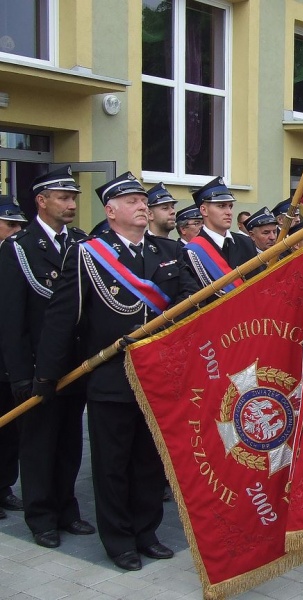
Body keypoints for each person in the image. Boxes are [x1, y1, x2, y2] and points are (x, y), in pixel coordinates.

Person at [32, 171, 199, 571]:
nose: (142, 206)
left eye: (143, 200)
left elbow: (190, 297)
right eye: (132, 201)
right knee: (112, 465)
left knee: (150, 461)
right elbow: (62, 318)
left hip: (159, 377)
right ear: (110, 211)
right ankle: (120, 540)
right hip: (112, 377)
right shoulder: (89, 254)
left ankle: (146, 532)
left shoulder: (168, 250)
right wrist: (47, 375)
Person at [0, 169, 94, 549]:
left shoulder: (80, 242)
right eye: (63, 197)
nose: (71, 204)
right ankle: (41, 517)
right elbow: (12, 320)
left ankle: (67, 509)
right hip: (39, 368)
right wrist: (20, 376)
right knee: (38, 446)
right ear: (41, 201)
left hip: (74, 366)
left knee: (70, 443)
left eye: (73, 198)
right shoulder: (18, 248)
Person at [183, 176, 260, 295]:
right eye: (221, 206)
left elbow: (258, 285)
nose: (229, 212)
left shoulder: (246, 242)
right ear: (204, 210)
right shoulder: (191, 252)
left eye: (230, 206)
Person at [0, 198, 27, 522]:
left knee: (10, 430)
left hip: (8, 360)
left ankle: (4, 486)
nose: (17, 230)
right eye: (11, 224)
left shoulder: (18, 258)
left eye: (20, 224)